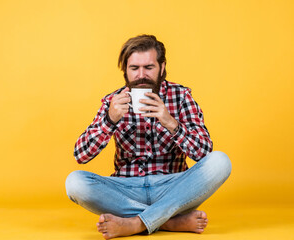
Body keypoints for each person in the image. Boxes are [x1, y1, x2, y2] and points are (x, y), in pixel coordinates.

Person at [65, 34, 231, 239]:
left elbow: (204, 152)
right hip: (127, 188)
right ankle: (168, 221)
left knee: (221, 161)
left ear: (161, 68)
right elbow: (80, 154)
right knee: (75, 183)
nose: (141, 75)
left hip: (173, 186)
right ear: (125, 70)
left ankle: (136, 223)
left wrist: (170, 122)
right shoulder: (113, 101)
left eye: (149, 68)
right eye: (134, 68)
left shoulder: (181, 96)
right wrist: (110, 120)